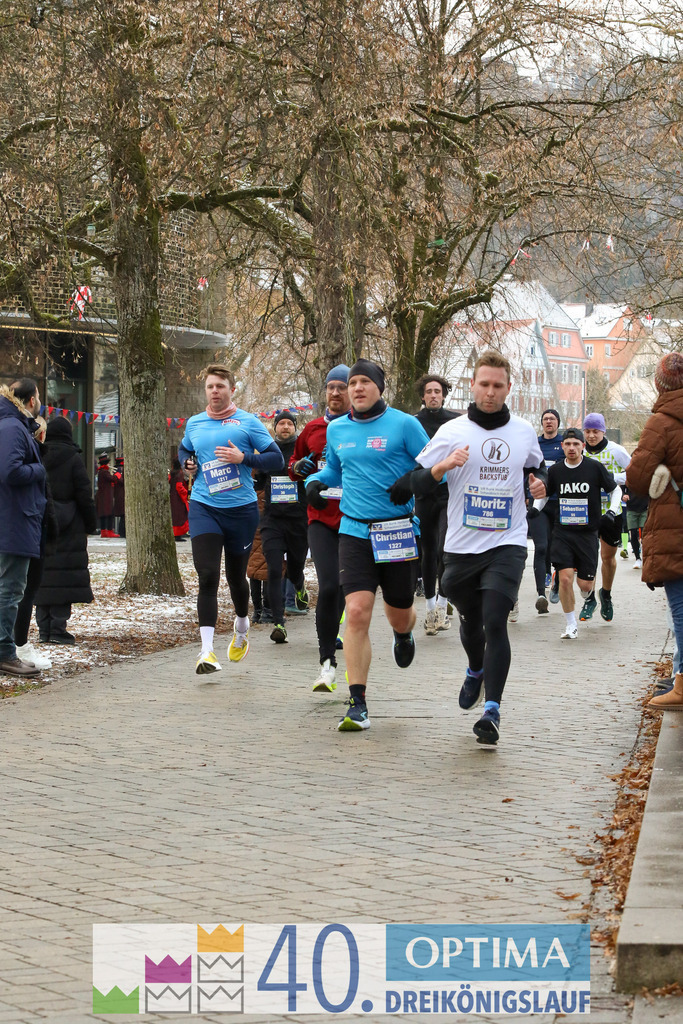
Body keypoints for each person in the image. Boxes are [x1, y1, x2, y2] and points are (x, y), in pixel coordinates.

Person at [414, 350, 547, 746]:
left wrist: (540, 482)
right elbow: (421, 474)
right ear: (472, 385)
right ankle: (475, 669)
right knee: (472, 623)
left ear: (508, 388)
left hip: (507, 542)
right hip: (460, 546)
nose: (490, 392)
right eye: (484, 384)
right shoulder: (452, 430)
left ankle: (492, 711)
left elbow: (537, 466)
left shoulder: (523, 431)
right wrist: (441, 468)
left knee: (495, 620)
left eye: (498, 386)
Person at [305, 358, 430, 730]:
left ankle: (403, 634)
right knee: (357, 611)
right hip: (355, 531)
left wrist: (411, 480)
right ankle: (357, 703)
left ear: (380, 387)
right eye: (352, 383)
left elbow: (434, 468)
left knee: (399, 611)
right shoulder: (337, 429)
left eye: (364, 382)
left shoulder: (405, 425)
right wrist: (315, 482)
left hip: (397, 532)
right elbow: (334, 470)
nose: (356, 388)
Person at [178, 364, 284, 673]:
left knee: (236, 578)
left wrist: (244, 458)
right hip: (204, 506)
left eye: (220, 386)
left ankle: (241, 625)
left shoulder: (248, 422)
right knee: (207, 575)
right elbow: (185, 451)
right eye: (210, 386)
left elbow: (276, 459)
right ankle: (207, 652)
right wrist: (188, 464)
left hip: (241, 510)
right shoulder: (195, 423)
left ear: (231, 390)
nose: (214, 391)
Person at [626, 352, 683, 710]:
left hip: (675, 525)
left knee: (681, 608)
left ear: (660, 385)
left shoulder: (661, 422)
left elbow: (637, 477)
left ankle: (682, 684)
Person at [289, 364, 350, 691]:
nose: (336, 392)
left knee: (343, 587)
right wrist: (299, 467)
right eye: (331, 387)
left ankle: (337, 632)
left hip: (354, 519)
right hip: (320, 518)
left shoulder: (361, 429)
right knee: (327, 586)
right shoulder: (312, 429)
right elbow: (293, 467)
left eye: (342, 387)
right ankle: (327, 662)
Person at [532, 427, 620, 640]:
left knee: (585, 585)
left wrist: (611, 511)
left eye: (576, 444)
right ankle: (571, 625)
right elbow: (545, 495)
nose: (572, 448)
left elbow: (615, 489)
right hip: (562, 532)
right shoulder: (556, 471)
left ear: (583, 447)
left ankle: (590, 595)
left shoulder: (594, 468)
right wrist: (535, 509)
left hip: (587, 533)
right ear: (562, 446)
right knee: (565, 579)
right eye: (568, 444)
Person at [33, 417, 98, 644]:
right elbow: (84, 494)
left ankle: (44, 629)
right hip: (70, 525)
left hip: (42, 521)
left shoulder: (38, 455)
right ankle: (58, 629)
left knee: (43, 578)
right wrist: (90, 524)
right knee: (64, 577)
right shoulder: (73, 458)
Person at [0, 378, 46, 677]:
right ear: (31, 400)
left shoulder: (11, 425)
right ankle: (4, 654)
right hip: (14, 521)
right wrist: (40, 467)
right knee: (10, 590)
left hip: (13, 519)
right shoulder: (13, 427)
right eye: (39, 397)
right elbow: (11, 471)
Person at [256, 410, 309, 644]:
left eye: (289, 423)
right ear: (274, 427)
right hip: (273, 520)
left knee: (295, 569)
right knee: (274, 570)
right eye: (281, 423)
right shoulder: (269, 452)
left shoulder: (303, 451)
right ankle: (279, 623)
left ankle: (299, 586)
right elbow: (258, 481)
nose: (285, 427)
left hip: (298, 520)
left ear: (295, 427)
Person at [414, 373, 460, 634]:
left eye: (438, 391)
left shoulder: (455, 421)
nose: (433, 395)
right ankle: (430, 610)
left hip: (448, 493)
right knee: (428, 551)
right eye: (429, 391)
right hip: (424, 494)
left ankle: (443, 605)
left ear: (443, 395)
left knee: (445, 548)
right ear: (423, 396)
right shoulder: (413, 422)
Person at [580, 413, 631, 623]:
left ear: (603, 431)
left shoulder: (616, 450)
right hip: (585, 512)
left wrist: (610, 478)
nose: (591, 436)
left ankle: (606, 595)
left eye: (595, 431)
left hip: (612, 511)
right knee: (587, 557)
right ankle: (589, 598)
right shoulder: (580, 450)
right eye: (588, 431)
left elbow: (634, 472)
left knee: (607, 558)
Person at [13, 416, 53, 670]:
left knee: (20, 591)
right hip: (26, 531)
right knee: (21, 591)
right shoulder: (30, 458)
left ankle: (17, 644)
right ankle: (18, 644)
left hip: (29, 528)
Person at [537, 408, 564, 605]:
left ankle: (557, 575)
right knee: (542, 543)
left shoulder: (564, 444)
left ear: (557, 423)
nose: (548, 422)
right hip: (539, 501)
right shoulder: (535, 443)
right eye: (545, 419)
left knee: (557, 542)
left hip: (559, 501)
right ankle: (544, 577)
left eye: (552, 419)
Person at [96, 454, 117, 537]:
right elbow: (112, 479)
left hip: (103, 496)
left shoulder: (101, 472)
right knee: (108, 513)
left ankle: (104, 531)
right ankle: (108, 531)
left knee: (104, 514)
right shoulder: (104, 472)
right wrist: (117, 474)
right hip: (106, 497)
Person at [169, 458, 190, 540]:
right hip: (178, 498)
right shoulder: (180, 473)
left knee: (175, 516)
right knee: (180, 516)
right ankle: (178, 534)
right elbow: (179, 486)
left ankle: (176, 533)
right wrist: (187, 493)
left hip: (172, 496)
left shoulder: (172, 473)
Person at [113, 456, 125, 538]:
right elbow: (123, 482)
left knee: (123, 516)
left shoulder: (118, 474)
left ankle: (122, 532)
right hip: (121, 497)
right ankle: (122, 532)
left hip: (120, 496)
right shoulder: (118, 475)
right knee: (123, 515)